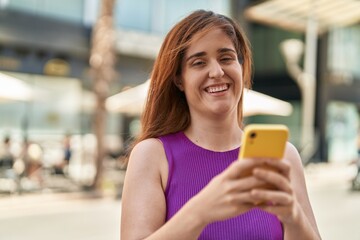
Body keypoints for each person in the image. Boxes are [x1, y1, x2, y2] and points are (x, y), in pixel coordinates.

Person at [121, 10, 321, 240]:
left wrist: (292, 215)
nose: (216, 72)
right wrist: (201, 211)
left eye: (226, 58)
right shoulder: (152, 155)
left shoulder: (283, 155)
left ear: (241, 67)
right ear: (179, 79)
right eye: (199, 62)